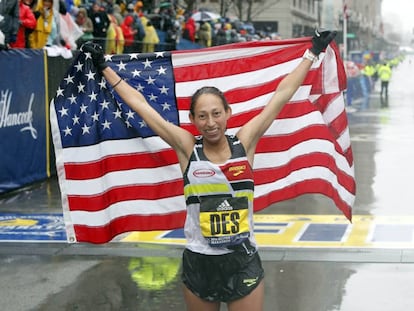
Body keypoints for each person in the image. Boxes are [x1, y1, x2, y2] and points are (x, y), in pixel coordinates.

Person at [80, 29, 337, 311]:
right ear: (192, 119)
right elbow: (141, 106)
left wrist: (312, 52)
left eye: (216, 114)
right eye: (202, 116)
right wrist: (104, 66)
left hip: (243, 260)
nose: (210, 122)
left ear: (228, 113)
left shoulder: (245, 141)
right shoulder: (187, 148)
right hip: (200, 261)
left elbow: (282, 95)